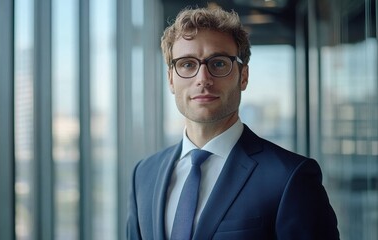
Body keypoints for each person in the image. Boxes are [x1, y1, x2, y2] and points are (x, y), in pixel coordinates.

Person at [127, 6, 339, 240]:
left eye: (218, 63)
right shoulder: (144, 174)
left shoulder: (290, 177)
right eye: (187, 64)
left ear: (243, 76)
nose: (202, 79)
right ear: (170, 79)